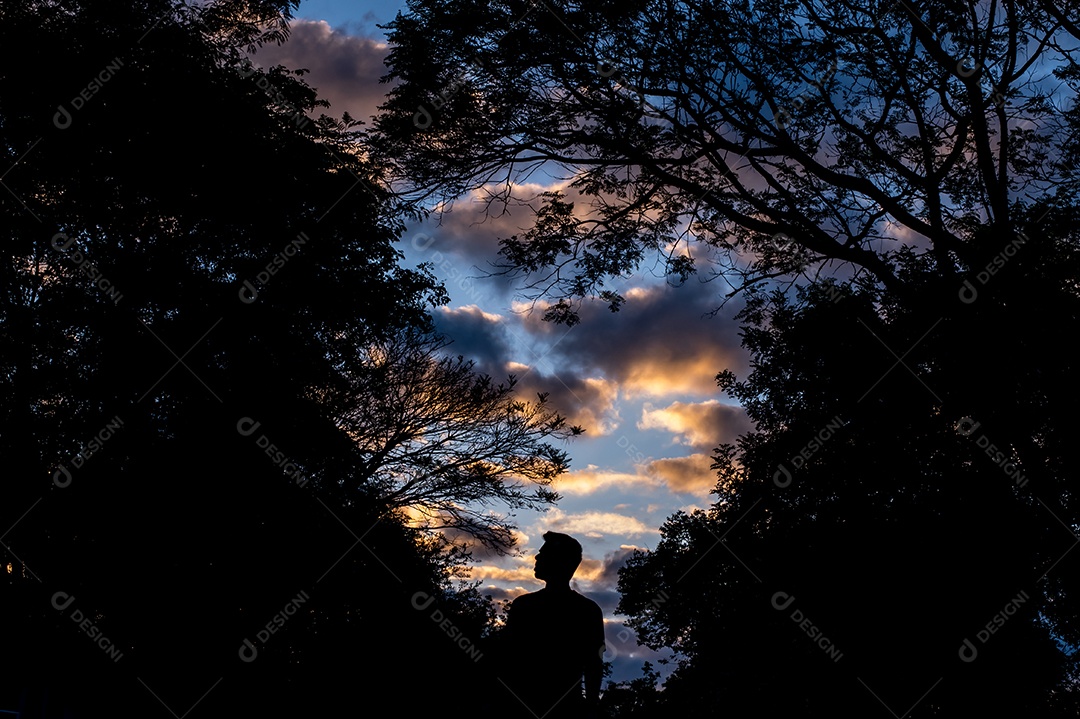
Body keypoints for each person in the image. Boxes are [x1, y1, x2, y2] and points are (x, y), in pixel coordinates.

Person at [499, 532, 605, 719]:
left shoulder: (525, 606)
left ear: (563, 562)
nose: (537, 557)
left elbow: (593, 665)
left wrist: (590, 706)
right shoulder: (587, 610)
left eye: (544, 553)